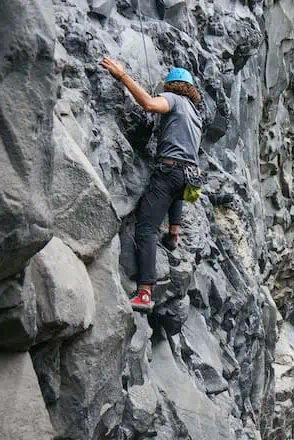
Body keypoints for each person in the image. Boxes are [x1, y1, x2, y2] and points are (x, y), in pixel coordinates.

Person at [100, 57, 202, 312]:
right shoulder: (196, 115)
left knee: (145, 229)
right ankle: (174, 233)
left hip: (169, 171)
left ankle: (145, 293)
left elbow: (148, 104)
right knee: (175, 193)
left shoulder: (175, 100)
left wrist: (123, 76)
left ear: (172, 86)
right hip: (189, 177)